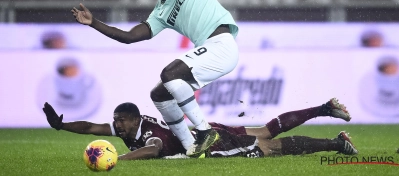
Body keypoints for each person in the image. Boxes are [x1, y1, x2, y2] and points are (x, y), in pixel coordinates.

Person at [71, 0, 278, 157]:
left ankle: (204, 132)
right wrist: (94, 22)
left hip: (222, 44)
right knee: (158, 93)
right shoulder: (159, 13)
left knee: (169, 74)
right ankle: (191, 147)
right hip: (210, 52)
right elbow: (129, 37)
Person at [42, 97, 358, 160]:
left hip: (213, 141)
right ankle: (324, 109)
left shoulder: (150, 135)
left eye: (121, 121)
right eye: (116, 122)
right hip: (205, 130)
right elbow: (91, 126)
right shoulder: (128, 130)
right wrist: (62, 125)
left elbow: (153, 150)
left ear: (136, 120)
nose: (116, 126)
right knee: (264, 132)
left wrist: (117, 160)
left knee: (269, 146)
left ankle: (335, 143)